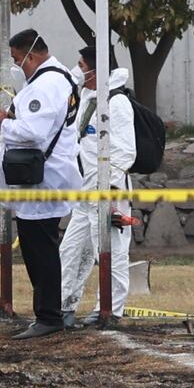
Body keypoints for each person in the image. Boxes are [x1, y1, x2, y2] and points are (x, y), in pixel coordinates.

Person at [0, 29, 82, 340]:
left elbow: (34, 132)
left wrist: (4, 123)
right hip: (42, 179)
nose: (19, 67)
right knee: (39, 247)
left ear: (33, 54)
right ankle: (47, 314)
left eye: (18, 60)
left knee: (40, 250)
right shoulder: (55, 79)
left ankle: (48, 316)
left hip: (42, 180)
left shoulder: (47, 83)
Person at [59, 46, 137, 327]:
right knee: (71, 250)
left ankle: (110, 310)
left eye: (82, 65)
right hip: (84, 192)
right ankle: (64, 306)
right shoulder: (88, 98)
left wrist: (112, 194)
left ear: (97, 69)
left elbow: (126, 152)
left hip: (108, 193)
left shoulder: (117, 103)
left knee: (112, 253)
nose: (79, 70)